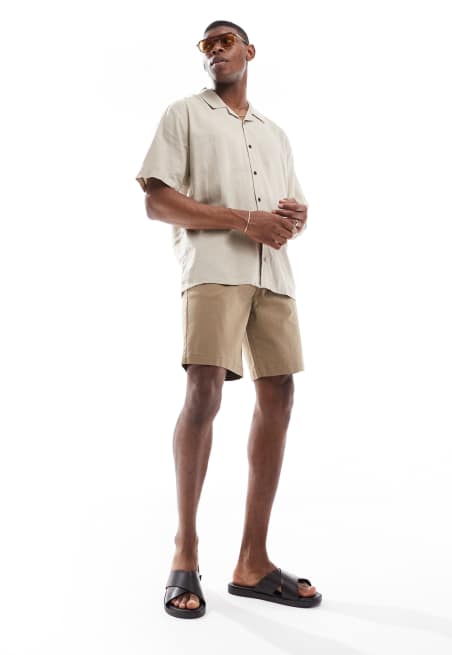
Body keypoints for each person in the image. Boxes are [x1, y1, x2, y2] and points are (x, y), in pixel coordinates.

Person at [135, 19, 321, 619]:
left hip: (274, 275)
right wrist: (245, 220)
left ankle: (252, 562)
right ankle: (184, 553)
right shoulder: (185, 114)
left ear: (249, 52)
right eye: (207, 44)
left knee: (280, 394)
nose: (216, 50)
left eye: (226, 41)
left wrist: (294, 219)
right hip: (214, 269)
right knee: (204, 391)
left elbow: (290, 209)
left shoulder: (274, 133)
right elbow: (157, 201)